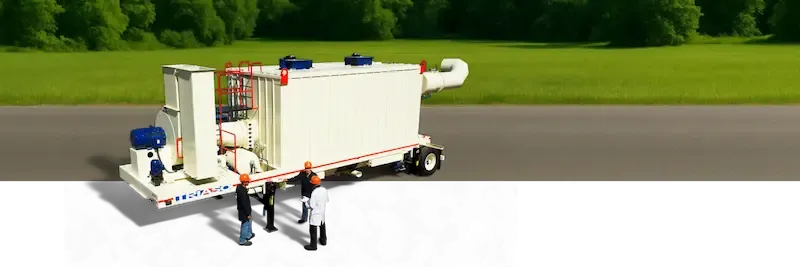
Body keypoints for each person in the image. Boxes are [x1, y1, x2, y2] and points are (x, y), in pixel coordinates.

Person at [302, 175, 331, 251]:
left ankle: (313, 245)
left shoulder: (314, 192)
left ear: (313, 184)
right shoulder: (325, 190)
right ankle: (324, 241)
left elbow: (312, 205)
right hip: (323, 213)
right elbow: (328, 200)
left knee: (313, 230)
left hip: (316, 214)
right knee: (323, 227)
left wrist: (305, 202)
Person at [237, 174, 256, 248]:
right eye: (247, 181)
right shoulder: (242, 192)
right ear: (244, 182)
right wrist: (248, 214)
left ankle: (249, 235)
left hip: (245, 211)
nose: (249, 182)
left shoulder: (240, 188)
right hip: (244, 213)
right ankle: (242, 241)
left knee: (249, 222)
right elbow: (244, 204)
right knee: (245, 225)